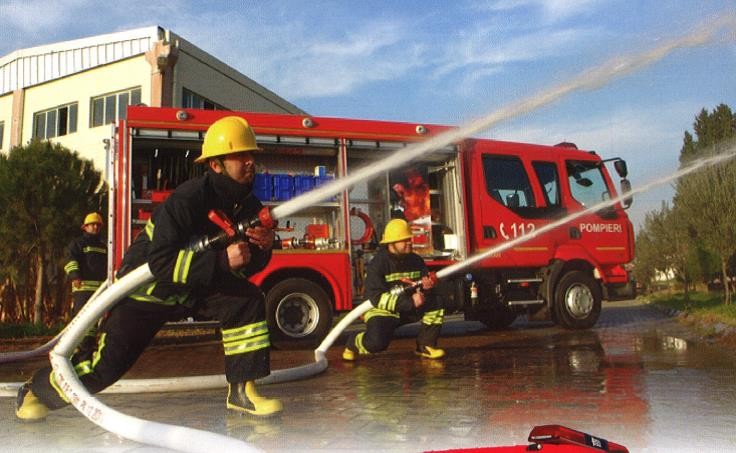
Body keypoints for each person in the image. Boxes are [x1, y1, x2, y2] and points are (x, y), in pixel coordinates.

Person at [16, 116, 281, 421]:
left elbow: (245, 266)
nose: (250, 162)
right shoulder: (188, 199)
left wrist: (263, 248)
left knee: (245, 300)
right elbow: (161, 262)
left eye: (251, 155)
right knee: (105, 368)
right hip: (146, 290)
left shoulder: (248, 205)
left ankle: (242, 393)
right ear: (216, 164)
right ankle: (38, 389)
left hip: (188, 287)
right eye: (240, 155)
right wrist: (222, 261)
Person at [343, 219, 445, 361]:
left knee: (436, 301)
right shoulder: (378, 264)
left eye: (409, 239)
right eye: (404, 240)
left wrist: (427, 288)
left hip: (406, 307)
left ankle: (426, 346)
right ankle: (354, 342)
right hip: (382, 310)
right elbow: (376, 297)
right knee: (377, 344)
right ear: (392, 243)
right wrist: (410, 303)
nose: (409, 242)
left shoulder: (416, 260)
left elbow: (422, 284)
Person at [63, 212, 108, 355]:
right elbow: (70, 261)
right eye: (92, 225)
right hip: (82, 287)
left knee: (93, 319)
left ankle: (87, 345)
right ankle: (79, 346)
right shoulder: (78, 244)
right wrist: (75, 276)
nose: (95, 227)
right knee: (82, 318)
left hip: (99, 288)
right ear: (85, 227)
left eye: (98, 225)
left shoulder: (104, 246)